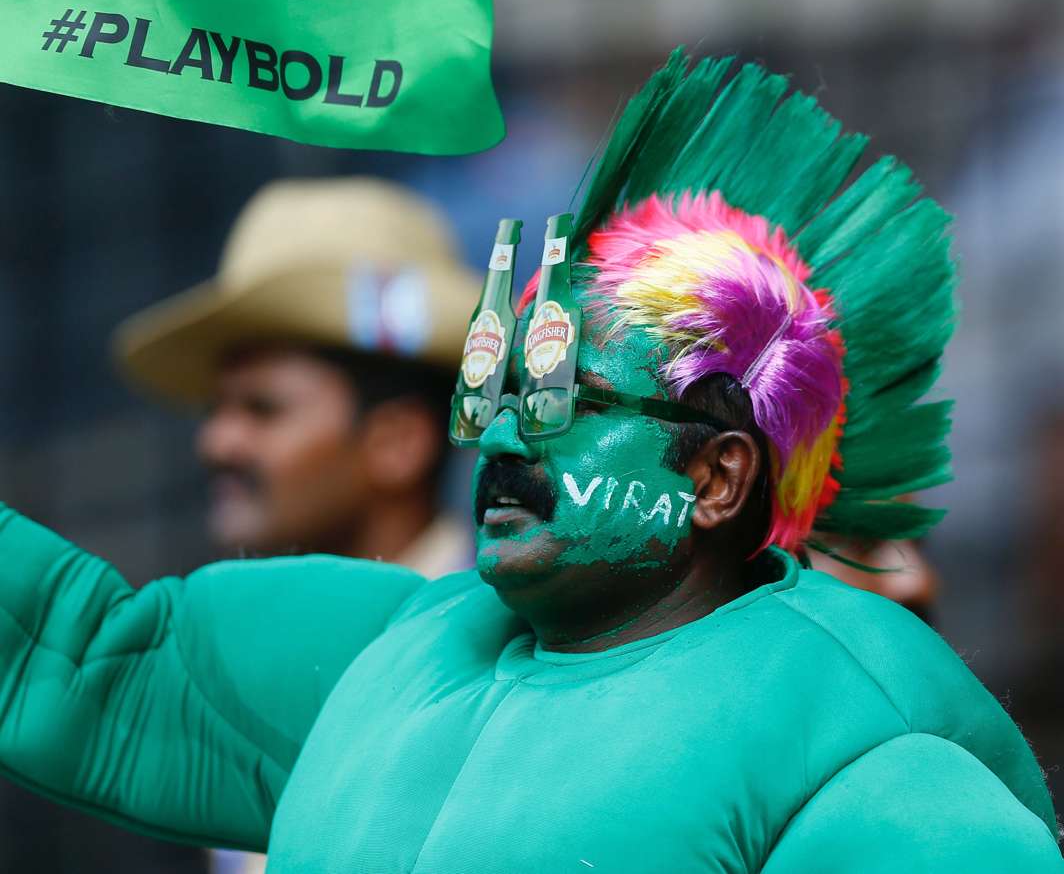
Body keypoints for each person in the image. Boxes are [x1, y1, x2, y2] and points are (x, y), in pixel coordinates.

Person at [0, 51, 1060, 871]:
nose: (502, 434)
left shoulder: (852, 738)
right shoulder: (392, 642)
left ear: (714, 476)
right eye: (495, 389)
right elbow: (77, 658)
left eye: (558, 399)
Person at [114, 176, 480, 577]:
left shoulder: (518, 632)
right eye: (214, 409)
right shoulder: (241, 633)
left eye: (263, 410)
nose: (216, 443)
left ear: (399, 443)